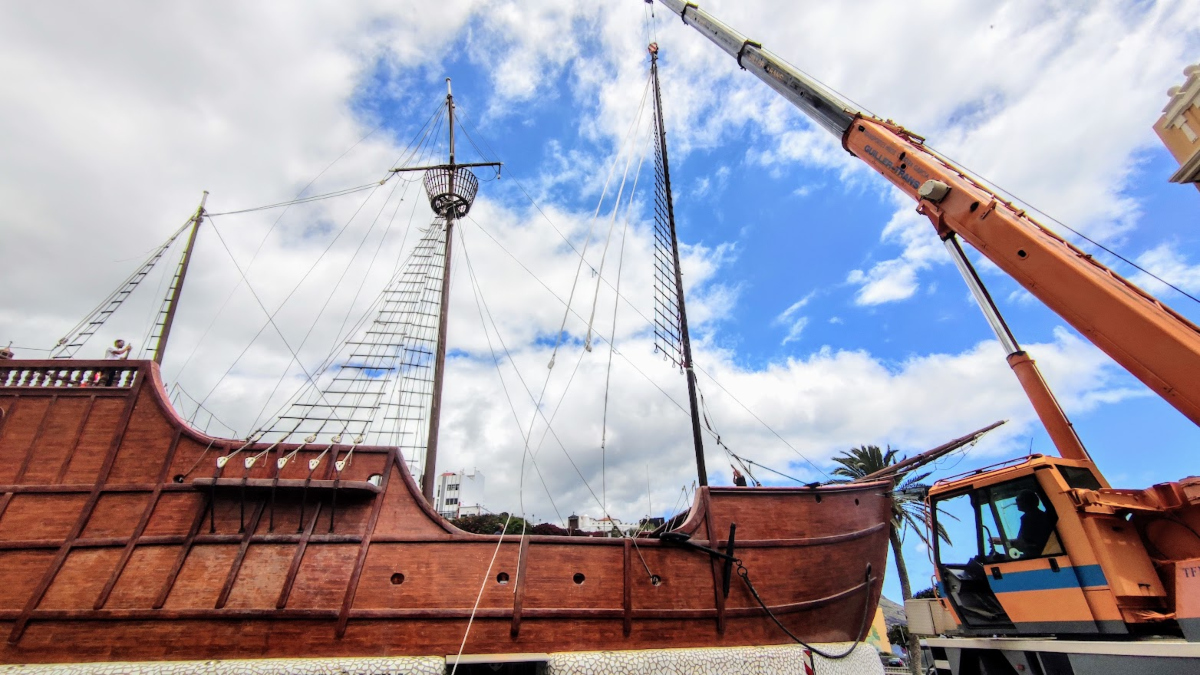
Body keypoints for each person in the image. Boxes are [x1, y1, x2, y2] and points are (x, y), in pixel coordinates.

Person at [1013, 490, 1055, 558]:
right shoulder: (1041, 515)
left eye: (1018, 499)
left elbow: (1022, 544)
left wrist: (1005, 542)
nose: (1016, 502)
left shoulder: (1029, 518)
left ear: (1026, 501)